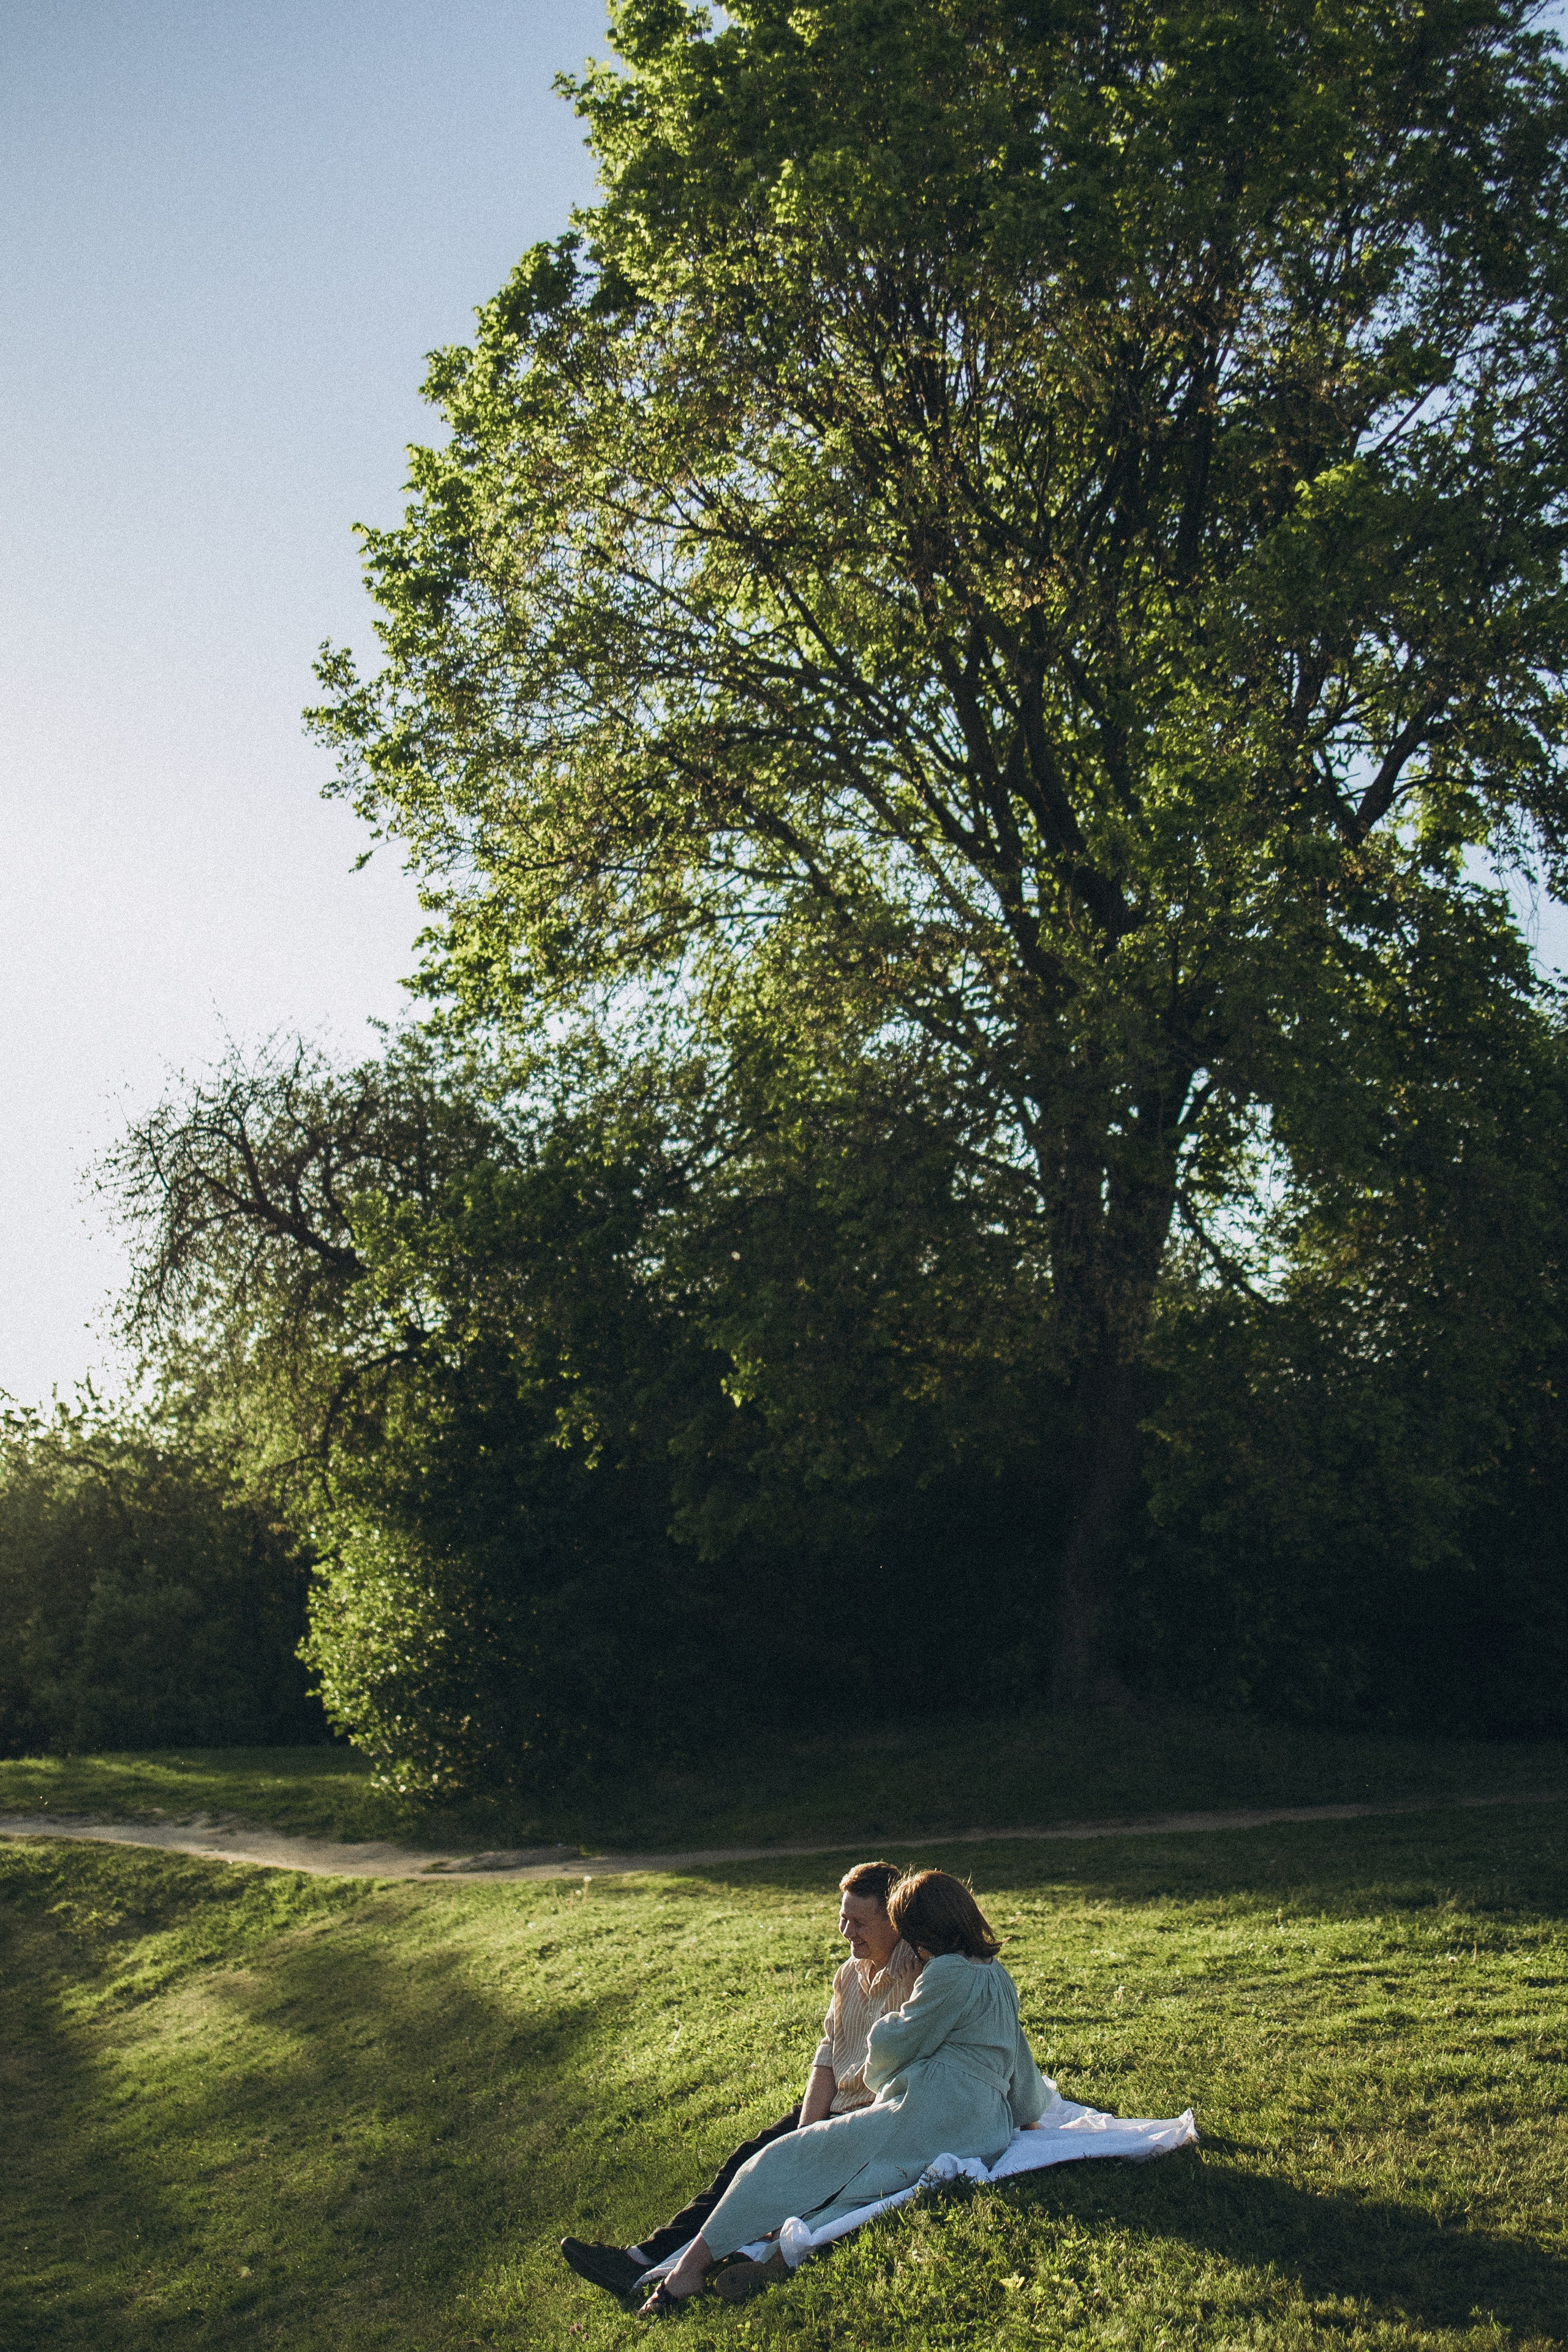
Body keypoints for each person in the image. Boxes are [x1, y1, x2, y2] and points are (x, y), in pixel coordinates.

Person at [639, 1868, 1050, 2316]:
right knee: (866, 2189)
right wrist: (1026, 2115)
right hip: (982, 2126)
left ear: (925, 1931)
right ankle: (773, 2258)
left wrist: (905, 2004)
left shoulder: (946, 1972)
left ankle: (687, 2275)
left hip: (931, 2110)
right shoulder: (996, 1974)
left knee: (783, 2159)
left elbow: (892, 2051)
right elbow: (1018, 2058)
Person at [559, 1859, 918, 2299]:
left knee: (773, 2182)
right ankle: (641, 2259)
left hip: (868, 2118)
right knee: (746, 2161)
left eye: (859, 1922)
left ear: (895, 1919)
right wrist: (803, 2135)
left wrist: (811, 2147)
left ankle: (691, 2268)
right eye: (842, 1918)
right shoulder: (848, 1973)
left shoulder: (919, 1973)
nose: (847, 1932)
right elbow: (827, 2056)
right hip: (831, 2109)